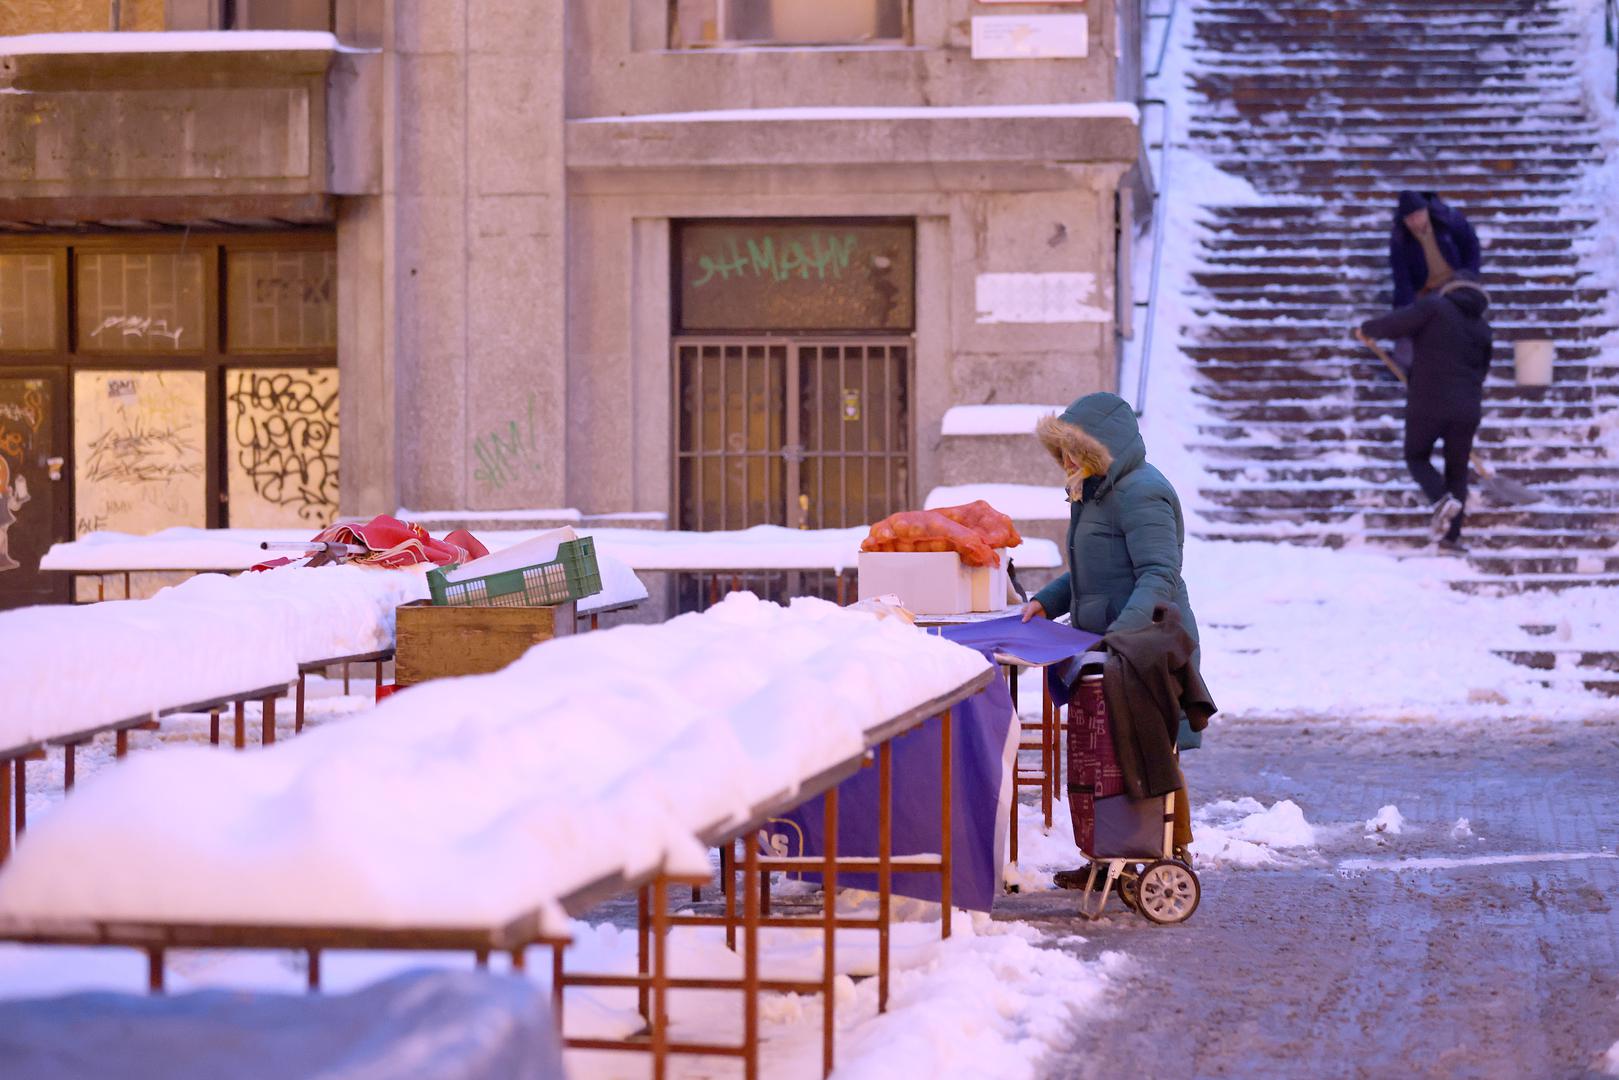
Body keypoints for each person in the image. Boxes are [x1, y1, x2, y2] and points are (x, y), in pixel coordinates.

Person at [1018, 392, 1207, 884]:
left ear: (1104, 446)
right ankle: (1110, 854)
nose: (1066, 460)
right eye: (1061, 451)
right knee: (1107, 754)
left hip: (1146, 645)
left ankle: (1170, 854)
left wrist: (1122, 634)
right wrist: (1046, 601)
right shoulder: (1094, 491)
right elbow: (1088, 574)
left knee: (1150, 749)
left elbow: (1159, 573)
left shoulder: (1143, 492)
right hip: (1109, 649)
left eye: (1074, 449)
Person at [1356, 273, 1493, 553]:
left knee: (1416, 455)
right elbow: (1482, 372)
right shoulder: (1483, 328)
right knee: (1457, 470)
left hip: (1429, 400)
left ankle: (1440, 500)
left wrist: (1368, 329)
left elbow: (1397, 324)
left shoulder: (1435, 307)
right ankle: (1451, 539)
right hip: (1467, 408)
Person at [1389, 190, 1482, 373]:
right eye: (1410, 219)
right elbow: (1402, 278)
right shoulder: (1400, 239)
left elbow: (1471, 246)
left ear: (1426, 212)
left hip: (1456, 283)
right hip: (1425, 289)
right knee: (1411, 321)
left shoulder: (1449, 221)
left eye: (1418, 216)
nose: (1415, 222)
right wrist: (1403, 309)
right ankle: (1406, 365)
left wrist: (1469, 275)